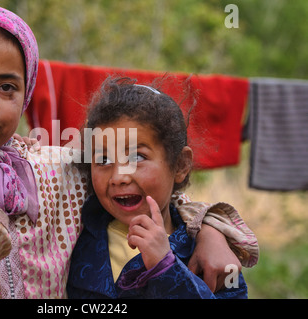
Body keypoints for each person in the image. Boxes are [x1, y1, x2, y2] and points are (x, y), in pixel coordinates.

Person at [0, 4, 257, 299]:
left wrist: (208, 230)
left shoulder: (54, 169)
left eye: (7, 87)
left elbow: (147, 186)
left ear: (27, 92)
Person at [66, 77, 254, 298]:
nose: (118, 177)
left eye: (137, 157)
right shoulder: (74, 231)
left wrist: (165, 268)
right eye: (104, 160)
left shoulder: (211, 255)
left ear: (180, 165)